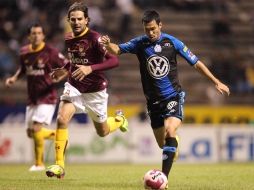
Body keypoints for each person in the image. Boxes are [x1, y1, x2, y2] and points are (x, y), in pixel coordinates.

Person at [100, 10, 230, 183]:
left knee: (170, 129)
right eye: (147, 29)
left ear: (160, 25)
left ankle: (163, 179)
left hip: (172, 96)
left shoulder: (172, 42)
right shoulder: (140, 43)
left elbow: (196, 63)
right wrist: (109, 45)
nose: (151, 33)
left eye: (153, 29)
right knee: (163, 144)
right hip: (153, 102)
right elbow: (117, 50)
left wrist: (216, 81)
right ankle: (172, 142)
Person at [45, 2, 128, 179]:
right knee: (61, 118)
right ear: (68, 20)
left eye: (79, 19)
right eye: (73, 19)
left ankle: (119, 120)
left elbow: (114, 61)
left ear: (87, 20)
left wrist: (91, 68)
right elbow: (75, 60)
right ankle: (59, 165)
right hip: (74, 86)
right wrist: (64, 69)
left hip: (95, 91)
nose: (76, 22)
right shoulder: (68, 37)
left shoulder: (95, 38)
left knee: (103, 132)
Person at [5, 23, 69, 171]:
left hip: (47, 97)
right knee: (31, 133)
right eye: (33, 33)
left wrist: (60, 77)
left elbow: (67, 65)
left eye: (39, 33)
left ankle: (39, 164)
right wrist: (14, 78)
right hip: (32, 98)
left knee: (36, 127)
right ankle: (57, 135)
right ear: (29, 36)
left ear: (43, 35)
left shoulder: (50, 52)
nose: (36, 36)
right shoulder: (24, 52)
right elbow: (23, 68)